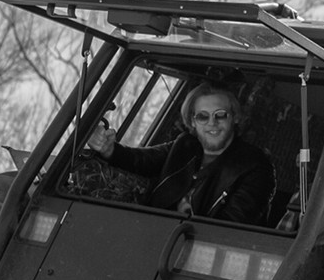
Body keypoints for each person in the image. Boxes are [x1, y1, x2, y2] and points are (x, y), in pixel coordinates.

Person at [86, 83, 278, 227]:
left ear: (234, 118)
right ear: (192, 122)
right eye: (203, 116)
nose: (212, 123)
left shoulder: (256, 166)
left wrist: (186, 222)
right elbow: (141, 160)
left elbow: (233, 227)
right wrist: (108, 149)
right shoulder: (185, 144)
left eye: (220, 115)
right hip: (151, 230)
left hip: (199, 250)